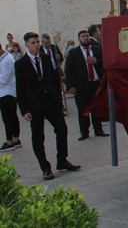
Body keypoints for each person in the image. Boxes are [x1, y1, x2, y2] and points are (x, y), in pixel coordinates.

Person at [15, 32, 80, 180]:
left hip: (51, 102)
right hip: (34, 105)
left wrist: (58, 99)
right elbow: (20, 88)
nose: (37, 45)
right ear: (26, 44)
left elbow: (52, 79)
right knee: (38, 137)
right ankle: (45, 167)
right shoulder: (21, 64)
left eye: (38, 41)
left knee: (62, 129)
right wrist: (24, 110)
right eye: (33, 42)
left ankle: (62, 160)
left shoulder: (45, 58)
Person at [64, 30, 108, 140]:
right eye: (83, 36)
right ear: (79, 39)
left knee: (96, 107)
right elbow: (68, 70)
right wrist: (71, 86)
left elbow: (105, 63)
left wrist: (96, 61)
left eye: (87, 36)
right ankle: (84, 132)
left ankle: (98, 129)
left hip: (96, 84)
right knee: (83, 109)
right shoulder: (74, 53)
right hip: (81, 86)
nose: (86, 38)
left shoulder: (97, 50)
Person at [0, 44, 21, 151]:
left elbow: (3, 80)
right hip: (5, 92)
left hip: (7, 92)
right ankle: (16, 139)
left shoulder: (7, 60)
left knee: (7, 117)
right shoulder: (4, 58)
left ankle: (10, 141)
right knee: (11, 116)